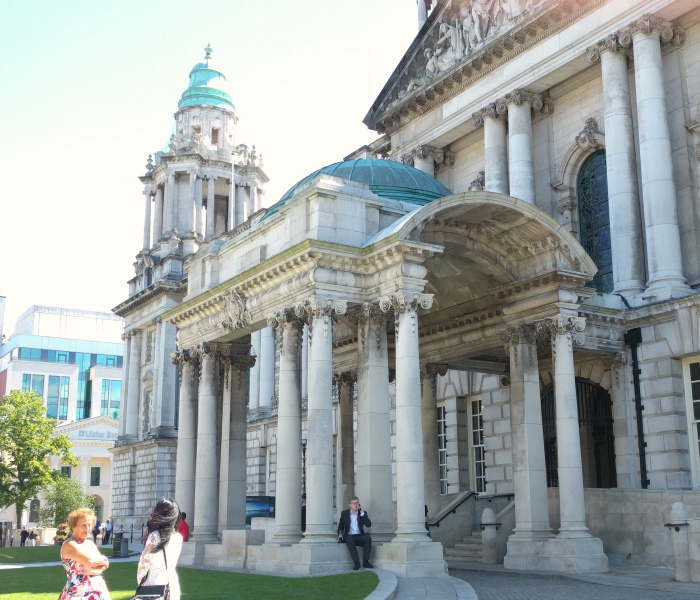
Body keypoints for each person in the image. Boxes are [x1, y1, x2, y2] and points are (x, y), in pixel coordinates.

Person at [59, 507, 111, 600]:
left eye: (89, 525)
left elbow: (105, 564)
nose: (87, 528)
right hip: (78, 592)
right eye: (83, 525)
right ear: (73, 527)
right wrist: (103, 560)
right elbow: (89, 561)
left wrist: (96, 571)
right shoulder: (69, 544)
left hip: (97, 589)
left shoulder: (90, 543)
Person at [137, 499, 183, 600]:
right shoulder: (178, 537)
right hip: (172, 584)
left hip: (154, 585)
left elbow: (143, 564)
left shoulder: (155, 536)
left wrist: (140, 581)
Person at [337, 496, 373, 570]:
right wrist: (340, 535)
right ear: (350, 505)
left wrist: (362, 514)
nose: (356, 505)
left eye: (357, 503)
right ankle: (356, 563)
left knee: (368, 538)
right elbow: (341, 526)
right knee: (350, 540)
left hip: (359, 536)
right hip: (349, 535)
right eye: (353, 503)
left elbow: (368, 525)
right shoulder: (345, 513)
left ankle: (366, 561)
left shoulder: (362, 513)